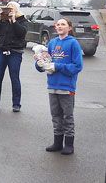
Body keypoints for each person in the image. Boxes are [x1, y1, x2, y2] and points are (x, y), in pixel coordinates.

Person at [35, 18, 83, 155]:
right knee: (55, 115)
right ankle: (57, 143)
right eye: (58, 24)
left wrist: (57, 66)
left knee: (67, 116)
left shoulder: (73, 43)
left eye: (63, 24)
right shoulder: (52, 43)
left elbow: (77, 66)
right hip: (52, 85)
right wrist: (39, 64)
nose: (60, 26)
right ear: (55, 28)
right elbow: (46, 62)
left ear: (69, 28)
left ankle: (69, 144)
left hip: (67, 87)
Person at [0, 1, 27, 112]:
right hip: (1, 50)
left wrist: (13, 20)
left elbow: (21, 33)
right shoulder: (3, 20)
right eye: (8, 8)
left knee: (14, 78)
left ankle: (16, 104)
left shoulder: (22, 20)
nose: (9, 10)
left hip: (15, 51)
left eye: (12, 8)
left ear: (16, 10)